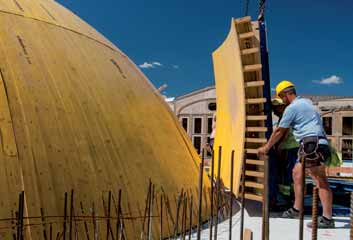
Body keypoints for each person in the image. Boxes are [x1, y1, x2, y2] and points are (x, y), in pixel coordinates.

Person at [258, 80, 335, 228]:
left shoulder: (292, 108)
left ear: (287, 94)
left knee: (320, 181)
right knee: (296, 172)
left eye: (281, 97)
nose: (282, 101)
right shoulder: (306, 102)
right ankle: (296, 209)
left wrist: (266, 147)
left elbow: (280, 131)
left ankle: (327, 218)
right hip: (311, 144)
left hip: (312, 144)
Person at [272, 98, 300, 205]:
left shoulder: (286, 116)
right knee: (292, 173)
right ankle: (293, 197)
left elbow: (283, 133)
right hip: (293, 147)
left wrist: (277, 146)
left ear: (282, 106)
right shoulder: (288, 115)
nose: (274, 110)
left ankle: (287, 199)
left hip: (289, 148)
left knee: (287, 173)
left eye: (276, 107)